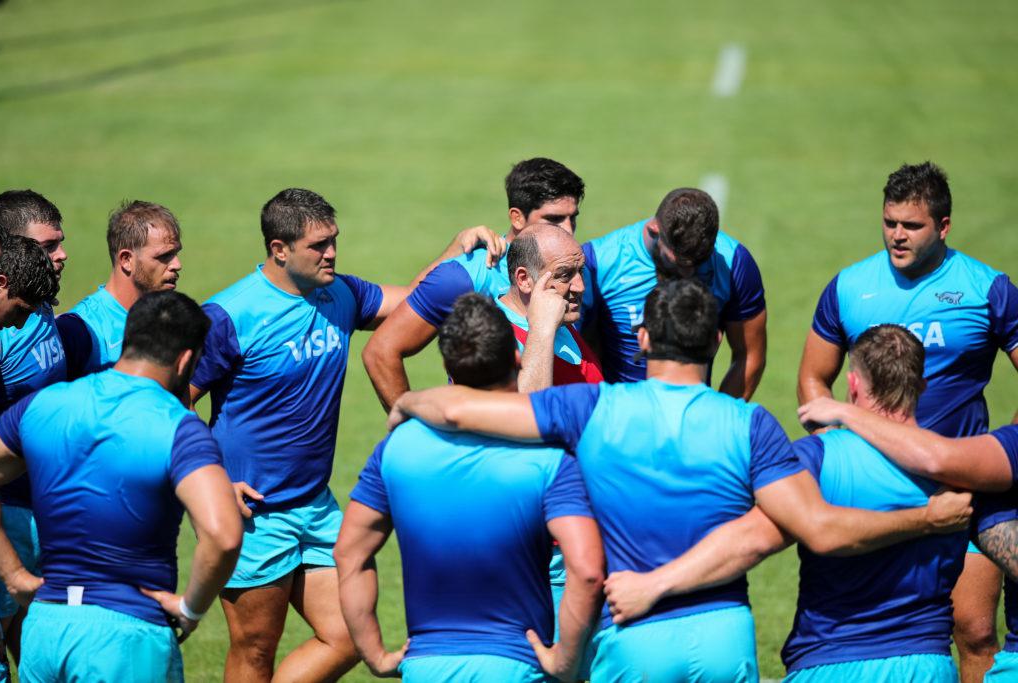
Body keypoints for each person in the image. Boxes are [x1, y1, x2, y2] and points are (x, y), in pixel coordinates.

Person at [388, 278, 971, 681]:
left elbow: (466, 411)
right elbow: (817, 529)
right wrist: (925, 518)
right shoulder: (750, 425)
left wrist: (412, 399)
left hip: (632, 634)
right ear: (716, 341)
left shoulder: (593, 408)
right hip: (724, 636)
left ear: (642, 339)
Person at [189, 188, 425, 682]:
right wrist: (210, 483)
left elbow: (417, 302)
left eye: (334, 240)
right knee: (255, 648)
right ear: (279, 249)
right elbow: (171, 405)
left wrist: (460, 255)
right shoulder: (229, 316)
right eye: (319, 245)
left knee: (349, 637)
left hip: (315, 505)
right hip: (253, 514)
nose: (332, 253)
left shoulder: (337, 293)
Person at [797, 161, 1018, 681]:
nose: (897, 235)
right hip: (878, 482)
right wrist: (841, 443)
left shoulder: (985, 289)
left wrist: (1005, 445)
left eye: (911, 226)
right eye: (890, 222)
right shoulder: (850, 287)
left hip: (960, 486)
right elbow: (813, 379)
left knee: (975, 629)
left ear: (943, 227)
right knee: (877, 620)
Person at [336, 293, 604, 682]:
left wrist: (375, 655)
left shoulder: (396, 450)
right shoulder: (549, 460)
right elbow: (587, 570)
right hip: (517, 667)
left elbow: (349, 554)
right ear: (517, 359)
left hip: (426, 668)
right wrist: (565, 660)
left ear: (447, 366)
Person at [0, 290, 243, 682]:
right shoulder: (178, 427)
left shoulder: (44, 405)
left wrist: (14, 576)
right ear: (186, 361)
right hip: (127, 638)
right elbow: (224, 534)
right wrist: (191, 608)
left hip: (45, 631)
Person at [363, 157, 585, 410]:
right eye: (554, 219)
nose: (568, 230)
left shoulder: (571, 270)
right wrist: (411, 430)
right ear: (517, 217)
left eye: (572, 218)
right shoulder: (466, 276)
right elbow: (381, 351)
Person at [581, 187, 766, 397]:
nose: (689, 274)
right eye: (679, 263)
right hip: (620, 419)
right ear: (654, 230)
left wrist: (716, 417)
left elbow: (749, 355)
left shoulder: (734, 262)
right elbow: (573, 351)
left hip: (692, 417)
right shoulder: (600, 262)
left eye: (699, 263)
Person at [0, 190, 69, 668]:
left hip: (51, 508)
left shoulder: (37, 301)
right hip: (7, 514)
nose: (60, 255)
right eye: (47, 246)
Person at [57, 200, 183, 379]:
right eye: (164, 256)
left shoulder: (169, 317)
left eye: (176, 253)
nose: (177, 265)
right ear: (126, 260)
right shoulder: (82, 330)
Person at [497, 225, 602, 391]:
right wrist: (541, 329)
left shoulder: (560, 313)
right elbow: (525, 411)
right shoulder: (492, 338)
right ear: (524, 280)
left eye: (580, 270)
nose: (580, 287)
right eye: (565, 275)